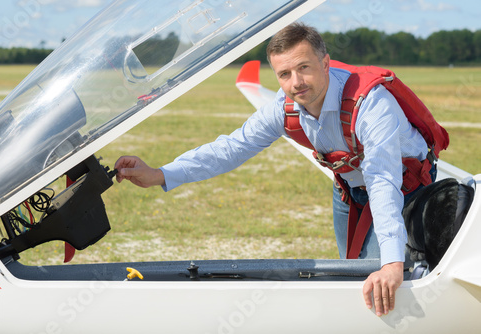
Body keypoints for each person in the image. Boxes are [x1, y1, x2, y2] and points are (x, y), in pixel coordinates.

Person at [115, 23, 432, 317]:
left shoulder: (372, 105)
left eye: (304, 68)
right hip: (349, 190)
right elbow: (232, 148)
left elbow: (382, 179)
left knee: (385, 283)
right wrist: (160, 174)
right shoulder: (285, 106)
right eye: (284, 74)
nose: (296, 83)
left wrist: (391, 263)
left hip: (403, 188)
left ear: (325, 64)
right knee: (350, 277)